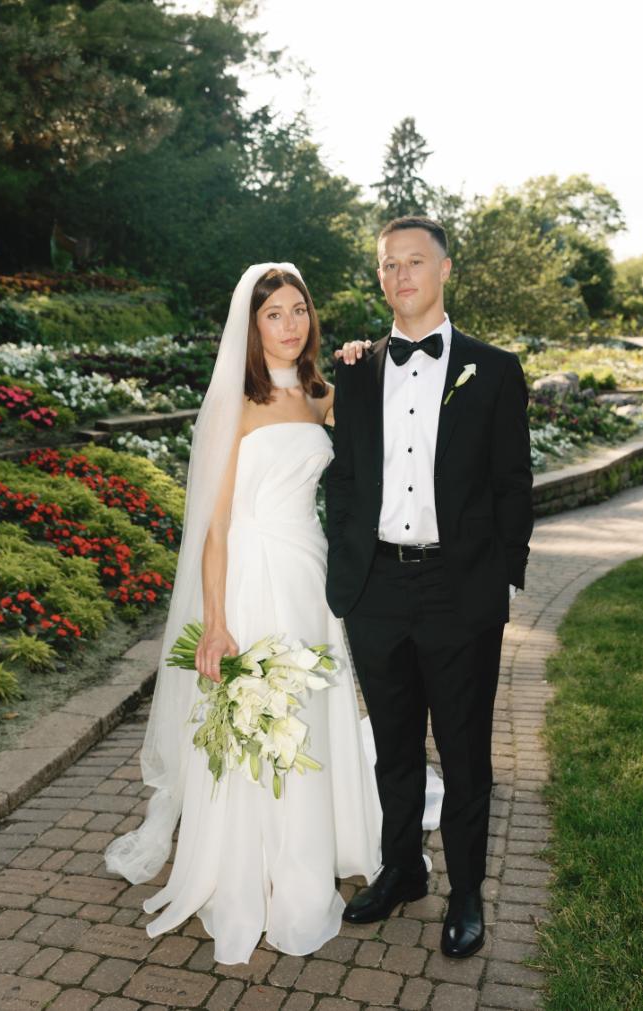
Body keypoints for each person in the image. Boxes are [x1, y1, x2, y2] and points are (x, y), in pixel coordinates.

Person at [105, 262, 442, 965]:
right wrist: (218, 620)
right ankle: (253, 855)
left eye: (298, 310)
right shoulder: (236, 401)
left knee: (310, 708)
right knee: (254, 709)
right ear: (251, 327)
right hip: (251, 575)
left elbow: (380, 437)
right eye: (274, 315)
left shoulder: (320, 394)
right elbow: (216, 528)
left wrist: (359, 362)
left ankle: (320, 838)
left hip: (310, 575)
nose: (290, 325)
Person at [327, 216, 533, 958]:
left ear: (445, 269)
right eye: (388, 264)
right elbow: (344, 477)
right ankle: (401, 870)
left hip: (459, 589)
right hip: (376, 586)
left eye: (415, 261)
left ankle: (467, 893)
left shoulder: (494, 368)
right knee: (392, 746)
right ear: (379, 276)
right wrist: (347, 560)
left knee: (464, 748)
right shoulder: (354, 368)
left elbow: (513, 483)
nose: (400, 275)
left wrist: (500, 577)